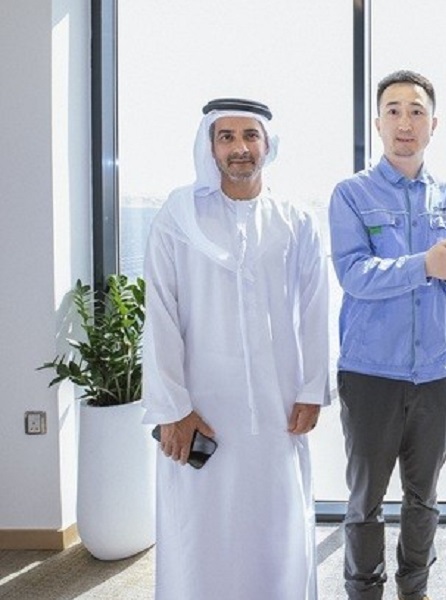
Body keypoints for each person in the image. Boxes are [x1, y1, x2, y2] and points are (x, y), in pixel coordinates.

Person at [142, 98, 329, 600]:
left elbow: (315, 307)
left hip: (276, 404)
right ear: (210, 146)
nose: (239, 147)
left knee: (276, 522)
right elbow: (159, 314)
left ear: (268, 144)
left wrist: (312, 389)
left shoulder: (296, 220)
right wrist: (173, 408)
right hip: (200, 406)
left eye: (250, 136)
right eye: (226, 137)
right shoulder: (178, 216)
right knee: (202, 528)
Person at [329, 70, 446, 600]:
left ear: (433, 124)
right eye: (393, 111)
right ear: (378, 123)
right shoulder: (351, 194)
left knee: (424, 498)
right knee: (364, 501)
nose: (405, 122)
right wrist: (425, 265)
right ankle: (363, 591)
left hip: (435, 375)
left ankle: (416, 589)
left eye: (416, 112)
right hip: (371, 374)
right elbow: (354, 275)